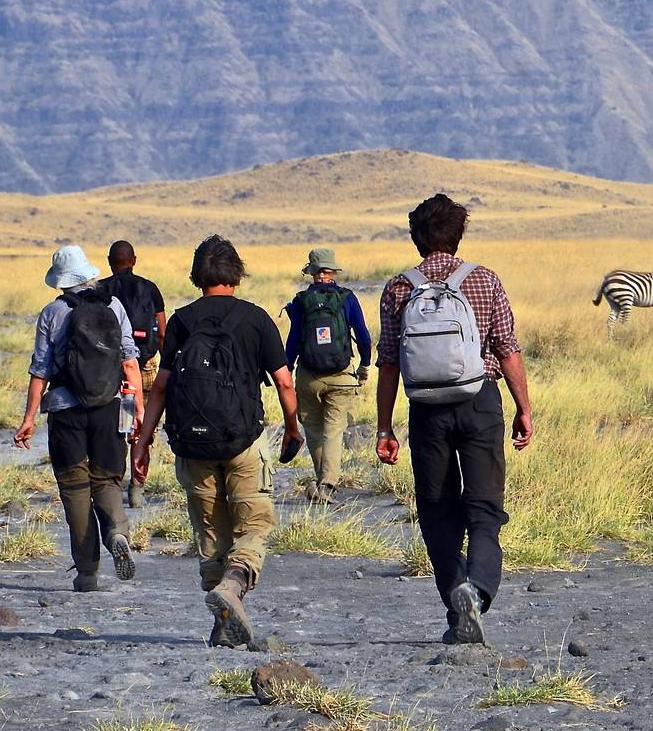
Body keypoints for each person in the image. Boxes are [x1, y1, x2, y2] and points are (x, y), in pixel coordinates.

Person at [377, 194, 533, 645]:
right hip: (480, 401)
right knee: (485, 507)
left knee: (435, 508)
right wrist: (524, 408)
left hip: (426, 408)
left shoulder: (398, 288)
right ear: (459, 234)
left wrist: (385, 427)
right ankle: (478, 591)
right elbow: (507, 350)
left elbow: (388, 363)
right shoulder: (484, 280)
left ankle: (455, 600)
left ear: (416, 238)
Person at [132, 235, 301, 648]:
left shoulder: (183, 321)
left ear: (197, 276)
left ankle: (222, 624)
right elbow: (282, 380)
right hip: (243, 441)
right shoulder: (256, 318)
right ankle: (234, 585)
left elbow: (161, 388)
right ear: (237, 273)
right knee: (255, 525)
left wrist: (144, 442)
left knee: (210, 533)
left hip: (192, 445)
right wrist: (294, 427)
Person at [14, 245, 141, 592]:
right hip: (110, 407)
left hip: (64, 410)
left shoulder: (51, 313)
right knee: (108, 480)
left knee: (74, 488)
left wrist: (28, 419)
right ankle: (117, 531)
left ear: (61, 282)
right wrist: (139, 408)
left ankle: (87, 572)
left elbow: (40, 370)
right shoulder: (113, 305)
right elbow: (129, 360)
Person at [284, 247, 372, 504]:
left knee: (312, 427)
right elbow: (364, 337)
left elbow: (293, 341)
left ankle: (322, 481)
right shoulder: (347, 298)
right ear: (333, 271)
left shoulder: (301, 301)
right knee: (333, 430)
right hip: (341, 375)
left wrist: (287, 371)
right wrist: (365, 366)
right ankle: (328, 484)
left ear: (311, 273)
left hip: (308, 376)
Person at [105, 240, 167, 507]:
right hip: (146, 364)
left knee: (113, 425)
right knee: (143, 426)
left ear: (110, 262)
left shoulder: (101, 289)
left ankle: (113, 483)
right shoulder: (150, 288)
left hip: (110, 367)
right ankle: (138, 487)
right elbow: (163, 332)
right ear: (134, 260)